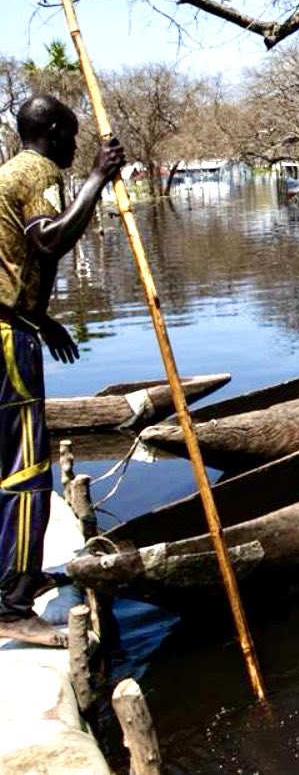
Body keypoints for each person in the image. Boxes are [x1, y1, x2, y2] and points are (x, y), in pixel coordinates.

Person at [0, 95, 124, 647]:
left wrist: (40, 318)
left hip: (13, 323)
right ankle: (13, 603)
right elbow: (49, 238)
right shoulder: (38, 172)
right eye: (72, 137)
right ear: (51, 132)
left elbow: (17, 261)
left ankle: (12, 580)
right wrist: (98, 178)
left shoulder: (9, 171)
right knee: (27, 473)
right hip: (6, 341)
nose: (76, 148)